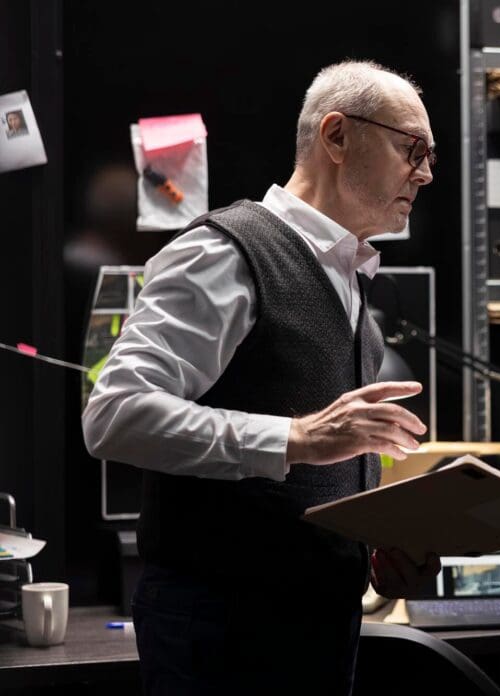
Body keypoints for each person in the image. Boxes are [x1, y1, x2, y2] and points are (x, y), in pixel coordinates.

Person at [82, 60, 439, 694]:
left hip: (315, 628)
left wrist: (373, 549)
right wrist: (297, 438)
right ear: (336, 136)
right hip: (223, 632)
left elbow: (309, 479)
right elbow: (114, 413)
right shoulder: (223, 252)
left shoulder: (352, 285)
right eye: (412, 147)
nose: (427, 172)